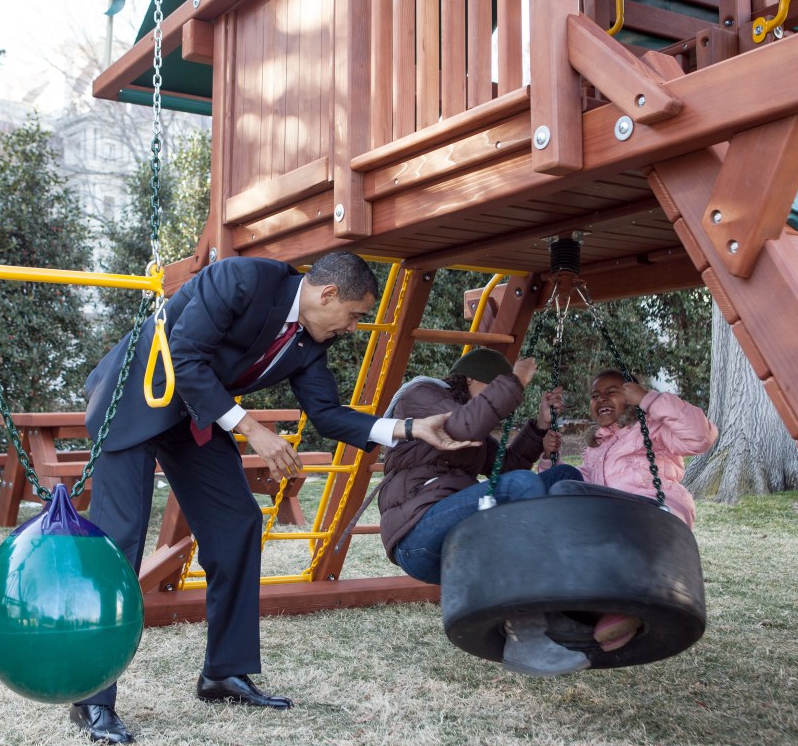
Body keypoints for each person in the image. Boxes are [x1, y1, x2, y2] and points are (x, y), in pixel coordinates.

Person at [72, 252, 479, 744]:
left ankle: (224, 672)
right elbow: (183, 354)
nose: (354, 326)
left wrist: (411, 428)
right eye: (355, 314)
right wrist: (251, 429)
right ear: (327, 294)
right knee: (120, 542)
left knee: (237, 525)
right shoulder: (241, 278)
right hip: (137, 395)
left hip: (193, 414)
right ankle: (91, 699)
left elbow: (327, 414)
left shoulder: (308, 341)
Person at [375, 347, 589, 676]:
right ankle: (525, 636)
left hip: (458, 530)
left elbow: (506, 467)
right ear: (472, 378)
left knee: (564, 478)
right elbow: (461, 427)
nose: (500, 406)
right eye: (495, 388)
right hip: (418, 534)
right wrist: (516, 380)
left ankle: (566, 602)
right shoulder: (422, 395)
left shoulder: (472, 427)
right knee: (521, 485)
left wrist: (541, 424)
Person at [542, 368, 718, 653]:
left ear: (632, 396)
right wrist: (550, 457)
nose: (601, 399)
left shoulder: (653, 428)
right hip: (613, 517)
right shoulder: (598, 446)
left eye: (612, 392)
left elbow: (701, 436)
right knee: (561, 482)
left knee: (565, 492)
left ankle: (615, 603)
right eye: (595, 396)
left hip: (651, 512)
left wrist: (650, 399)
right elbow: (580, 482)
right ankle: (612, 611)